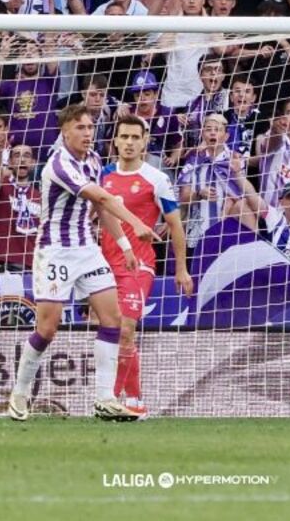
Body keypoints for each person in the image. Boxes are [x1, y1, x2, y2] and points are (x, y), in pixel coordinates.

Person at [6, 104, 157, 422]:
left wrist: (125, 244)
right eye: (81, 128)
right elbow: (104, 198)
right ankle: (19, 393)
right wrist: (138, 225)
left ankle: (105, 399)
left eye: (90, 127)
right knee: (47, 329)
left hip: (87, 250)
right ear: (65, 132)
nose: (88, 134)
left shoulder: (93, 160)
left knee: (113, 319)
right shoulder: (59, 164)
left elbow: (100, 208)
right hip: (56, 252)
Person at [100, 116, 194, 418]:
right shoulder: (103, 175)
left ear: (144, 141)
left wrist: (181, 268)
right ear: (115, 140)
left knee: (127, 329)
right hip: (103, 265)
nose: (128, 142)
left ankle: (125, 399)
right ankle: (124, 399)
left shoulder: (157, 178)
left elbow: (175, 226)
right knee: (110, 332)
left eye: (134, 137)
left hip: (138, 265)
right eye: (123, 136)